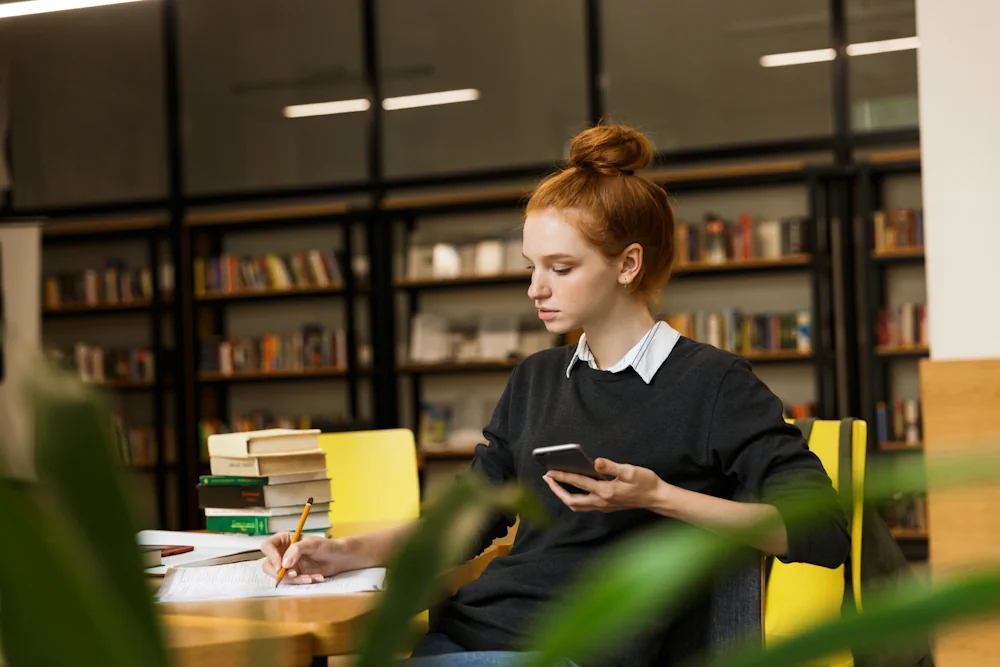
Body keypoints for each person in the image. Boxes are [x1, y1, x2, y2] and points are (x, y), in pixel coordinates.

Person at [261, 124, 850, 667]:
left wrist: (659, 496)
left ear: (628, 265)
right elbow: (466, 523)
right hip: (467, 638)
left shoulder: (714, 384)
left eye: (561, 268)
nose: (535, 288)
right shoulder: (536, 379)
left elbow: (824, 534)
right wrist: (339, 553)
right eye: (532, 266)